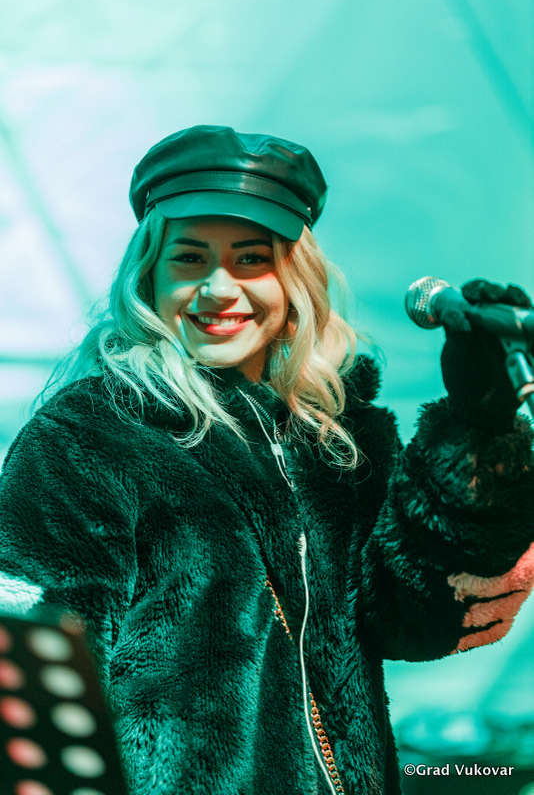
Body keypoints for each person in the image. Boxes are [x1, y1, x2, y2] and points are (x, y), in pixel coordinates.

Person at [1, 124, 534, 795]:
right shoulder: (87, 434)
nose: (219, 289)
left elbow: (412, 617)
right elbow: (39, 670)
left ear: (294, 278)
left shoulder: (341, 437)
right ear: (149, 275)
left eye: (251, 259)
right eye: (190, 258)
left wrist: (481, 423)